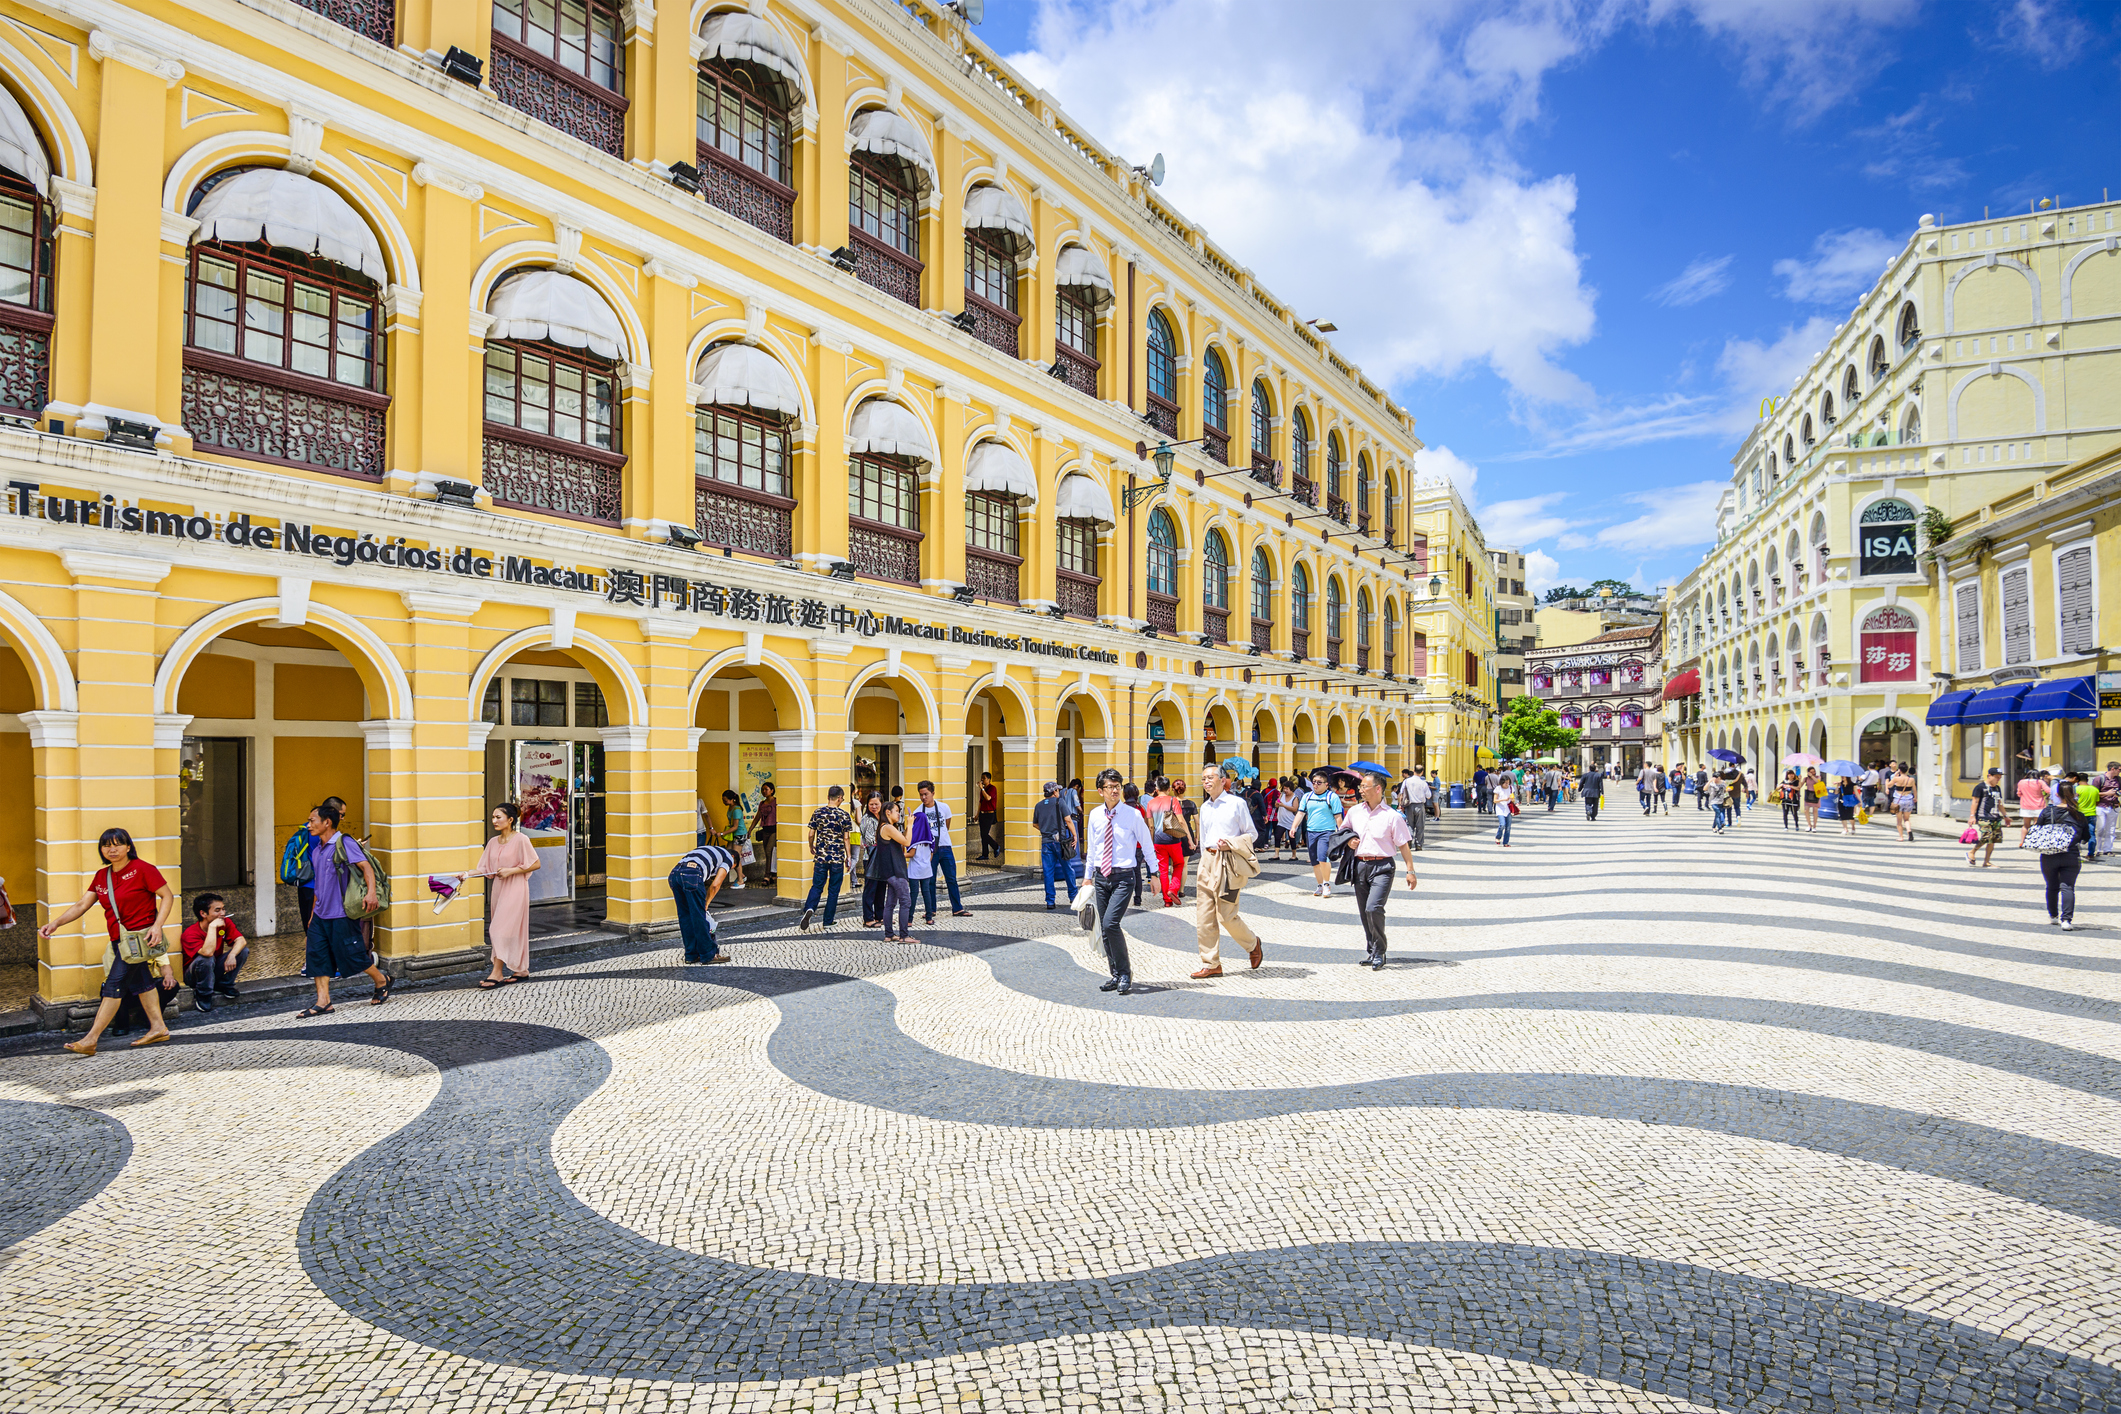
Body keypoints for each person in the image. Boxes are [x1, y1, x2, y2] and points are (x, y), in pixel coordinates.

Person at [49, 828, 179, 1054]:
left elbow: (167, 895)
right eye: (107, 845)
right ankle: (158, 1027)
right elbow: (82, 905)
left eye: (118, 844)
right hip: (120, 941)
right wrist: (56, 923)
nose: (112, 849)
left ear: (128, 846)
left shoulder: (143, 869)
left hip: (139, 941)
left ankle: (90, 1039)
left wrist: (157, 926)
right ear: (101, 849)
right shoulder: (102, 876)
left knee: (113, 986)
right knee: (142, 983)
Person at [298, 802, 392, 1018]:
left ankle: (381, 980)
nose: (308, 825)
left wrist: (371, 893)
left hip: (341, 913)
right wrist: (313, 915)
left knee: (352, 955)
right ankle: (324, 1001)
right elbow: (319, 886)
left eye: (312, 821)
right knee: (317, 956)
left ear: (327, 822)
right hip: (321, 914)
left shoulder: (344, 842)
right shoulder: (318, 850)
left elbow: (366, 867)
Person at [1082, 767, 1156, 995]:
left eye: (1118, 787)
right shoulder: (1095, 815)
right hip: (1101, 877)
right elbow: (1093, 849)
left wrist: (1155, 874)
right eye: (1110, 787)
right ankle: (1115, 974)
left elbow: (1147, 844)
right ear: (1100, 791)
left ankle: (1125, 973)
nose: (1115, 791)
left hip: (1124, 877)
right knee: (1104, 929)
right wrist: (1087, 878)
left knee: (1111, 924)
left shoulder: (1132, 814)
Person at [1190, 764, 1264, 980]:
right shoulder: (1204, 807)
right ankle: (1211, 963)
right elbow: (1204, 838)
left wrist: (1230, 844)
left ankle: (1252, 943)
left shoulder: (1236, 804)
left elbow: (1252, 835)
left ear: (1223, 780)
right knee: (1204, 917)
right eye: (1203, 778)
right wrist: (1204, 858)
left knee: (1226, 916)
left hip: (1227, 863)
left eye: (1210, 777)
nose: (1206, 782)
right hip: (1206, 861)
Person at [1340, 769, 1418, 971]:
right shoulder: (1355, 811)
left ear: (1377, 789)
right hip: (1360, 865)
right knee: (1364, 911)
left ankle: (1380, 950)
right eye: (1361, 786)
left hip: (1383, 866)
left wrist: (1410, 871)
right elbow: (1343, 832)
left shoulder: (1392, 816)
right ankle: (1372, 950)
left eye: (1364, 786)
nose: (1361, 790)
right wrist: (1349, 840)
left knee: (1373, 908)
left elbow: (1403, 845)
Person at [471, 801, 540, 987]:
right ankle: (521, 970)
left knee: (498, 930)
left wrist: (512, 871)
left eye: (498, 817)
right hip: (499, 890)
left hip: (516, 889)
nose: (494, 820)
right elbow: (485, 868)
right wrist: (464, 875)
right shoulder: (493, 842)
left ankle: (497, 972)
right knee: (508, 930)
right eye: (493, 817)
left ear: (510, 820)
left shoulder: (521, 839)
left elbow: (535, 863)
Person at [2025, 787, 2092, 929]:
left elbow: (2038, 830)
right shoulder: (2079, 815)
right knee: (2068, 887)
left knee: (2052, 886)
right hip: (2071, 854)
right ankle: (2066, 920)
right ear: (2074, 795)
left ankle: (2053, 916)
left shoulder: (2047, 812)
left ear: (2056, 794)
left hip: (2049, 855)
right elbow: (2086, 837)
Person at [909, 780, 970, 922]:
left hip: (945, 846)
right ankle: (931, 910)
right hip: (928, 850)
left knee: (951, 879)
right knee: (929, 880)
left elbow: (947, 825)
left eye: (926, 794)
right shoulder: (918, 812)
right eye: (921, 795)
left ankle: (957, 908)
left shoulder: (944, 807)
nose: (923, 797)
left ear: (933, 793)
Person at [179, 892, 249, 1013]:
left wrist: (232, 955)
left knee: (242, 950)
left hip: (213, 968)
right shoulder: (190, 933)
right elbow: (207, 952)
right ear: (203, 913)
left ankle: (224, 984)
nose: (222, 913)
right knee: (206, 959)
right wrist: (212, 928)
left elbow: (241, 940)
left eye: (223, 909)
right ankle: (203, 993)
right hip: (194, 976)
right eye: (217, 910)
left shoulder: (224, 922)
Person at [669, 839, 734, 964]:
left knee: (685, 916)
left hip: (674, 874)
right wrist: (706, 903)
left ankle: (691, 954)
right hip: (692, 874)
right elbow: (716, 884)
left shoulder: (708, 850)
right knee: (699, 915)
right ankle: (708, 954)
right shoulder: (728, 857)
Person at [800, 785, 854, 931]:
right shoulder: (844, 815)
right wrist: (848, 857)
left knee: (817, 886)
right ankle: (828, 921)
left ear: (828, 797)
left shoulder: (818, 813)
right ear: (840, 798)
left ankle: (810, 908)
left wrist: (811, 846)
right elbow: (846, 839)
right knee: (833, 890)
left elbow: (811, 834)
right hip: (837, 859)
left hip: (821, 857)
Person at [1033, 781, 1081, 908]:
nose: (1059, 792)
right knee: (1068, 869)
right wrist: (1075, 835)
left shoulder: (1038, 806)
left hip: (1046, 842)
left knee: (1048, 872)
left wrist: (1045, 830)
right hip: (1060, 842)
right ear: (1054, 792)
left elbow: (1035, 824)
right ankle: (1073, 896)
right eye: (1058, 790)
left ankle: (1050, 901)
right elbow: (1068, 820)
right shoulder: (1060, 803)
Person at [1296, 771, 1344, 896]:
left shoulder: (1332, 797)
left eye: (1319, 782)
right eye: (1314, 782)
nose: (1315, 785)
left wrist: (1342, 833)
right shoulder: (1307, 796)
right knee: (1315, 861)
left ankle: (1326, 884)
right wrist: (1293, 827)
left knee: (1323, 858)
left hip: (1326, 832)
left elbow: (1338, 816)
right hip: (1311, 832)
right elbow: (1300, 813)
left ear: (1326, 784)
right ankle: (1319, 885)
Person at [1143, 776, 1189, 907]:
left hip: (1158, 841)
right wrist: (1189, 838)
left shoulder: (1150, 803)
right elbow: (1180, 820)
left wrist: (1151, 843)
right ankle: (1173, 889)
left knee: (1162, 870)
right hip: (1173, 839)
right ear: (1169, 789)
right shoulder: (1173, 801)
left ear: (1156, 789)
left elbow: (1150, 826)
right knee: (1179, 864)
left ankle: (1167, 901)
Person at [874, 799, 916, 944]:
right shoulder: (888, 828)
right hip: (895, 871)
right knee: (905, 901)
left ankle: (889, 934)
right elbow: (907, 842)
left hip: (890, 871)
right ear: (888, 812)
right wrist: (910, 825)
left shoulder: (885, 827)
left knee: (890, 903)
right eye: (896, 811)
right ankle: (904, 935)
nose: (899, 814)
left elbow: (901, 840)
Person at [857, 792, 887, 928]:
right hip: (871, 857)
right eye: (871, 804)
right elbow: (870, 840)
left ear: (882, 804)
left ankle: (879, 915)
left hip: (882, 857)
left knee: (881, 888)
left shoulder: (883, 817)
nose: (874, 807)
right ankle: (868, 918)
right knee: (870, 888)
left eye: (876, 804)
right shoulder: (866, 819)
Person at [1968, 765, 2006, 867]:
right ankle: (1972, 852)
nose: (1999, 779)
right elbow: (1975, 801)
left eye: (2000, 777)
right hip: (1983, 816)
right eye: (1997, 777)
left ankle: (1987, 861)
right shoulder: (1980, 787)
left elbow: (1999, 803)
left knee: (1993, 839)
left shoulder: (1997, 788)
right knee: (1986, 836)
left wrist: (2005, 816)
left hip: (1995, 817)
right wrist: (1972, 816)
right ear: (1990, 776)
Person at [1395, 768, 1430, 851]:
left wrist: (1400, 805)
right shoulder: (1423, 783)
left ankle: (1409, 841)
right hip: (1420, 805)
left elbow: (1401, 793)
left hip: (1409, 805)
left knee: (1409, 825)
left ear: (1414, 771)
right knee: (1420, 825)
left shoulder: (1407, 781)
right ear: (1422, 772)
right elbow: (1428, 795)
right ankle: (1418, 844)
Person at [753, 781, 778, 887]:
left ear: (772, 791)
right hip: (765, 829)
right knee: (768, 853)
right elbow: (757, 817)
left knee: (769, 852)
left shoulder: (776, 802)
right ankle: (773, 874)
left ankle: (767, 876)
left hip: (775, 830)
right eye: (762, 789)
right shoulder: (762, 804)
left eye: (766, 789)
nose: (764, 791)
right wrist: (750, 829)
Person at [2096, 762, 2121, 861]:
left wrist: (2118, 793)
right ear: (2113, 769)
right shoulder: (2099, 779)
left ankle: (2107, 849)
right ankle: (2098, 848)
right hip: (2101, 806)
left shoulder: (2118, 779)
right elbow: (2094, 793)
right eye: (2119, 769)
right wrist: (2107, 793)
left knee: (2111, 829)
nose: (2120, 771)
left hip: (2113, 806)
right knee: (2100, 828)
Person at [1888, 763, 1917, 841]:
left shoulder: (1896, 779)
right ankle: (1909, 831)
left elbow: (1889, 785)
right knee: (1907, 819)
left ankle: (1901, 837)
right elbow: (1914, 789)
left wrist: (1894, 776)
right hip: (1908, 799)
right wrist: (1915, 798)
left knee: (1899, 821)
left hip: (1898, 800)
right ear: (1907, 770)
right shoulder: (1911, 779)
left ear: (1899, 770)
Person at [975, 771, 1000, 859]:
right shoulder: (983, 790)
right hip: (982, 814)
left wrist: (982, 789)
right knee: (982, 834)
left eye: (984, 778)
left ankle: (996, 846)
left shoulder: (992, 788)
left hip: (990, 814)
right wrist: (977, 814)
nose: (982, 779)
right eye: (981, 778)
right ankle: (985, 854)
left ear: (988, 779)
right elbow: (980, 802)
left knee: (985, 834)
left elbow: (988, 798)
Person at [1492, 768, 1518, 846]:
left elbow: (1513, 798)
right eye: (1505, 783)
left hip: (1508, 808)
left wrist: (1512, 800)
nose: (1507, 784)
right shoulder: (1498, 789)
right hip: (1500, 808)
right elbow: (1495, 801)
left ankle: (1506, 842)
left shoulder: (1511, 788)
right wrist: (1503, 799)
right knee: (1502, 824)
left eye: (1508, 783)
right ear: (1502, 783)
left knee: (1508, 827)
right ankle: (1498, 837)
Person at [1801, 767, 1822, 832]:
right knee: (1806, 810)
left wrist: (1812, 776)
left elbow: (1818, 782)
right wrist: (1799, 779)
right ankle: (1809, 825)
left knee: (1815, 811)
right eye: (1811, 772)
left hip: (1816, 795)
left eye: (1814, 771)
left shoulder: (1818, 777)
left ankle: (1814, 826)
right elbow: (1800, 785)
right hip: (1808, 795)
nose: (1813, 773)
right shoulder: (1806, 779)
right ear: (1808, 772)